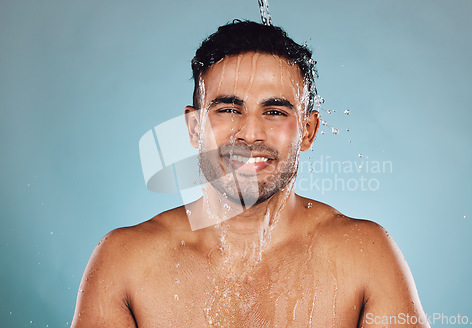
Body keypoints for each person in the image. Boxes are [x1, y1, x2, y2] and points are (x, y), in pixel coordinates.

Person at [71, 20, 429, 327]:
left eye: (274, 112)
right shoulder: (126, 260)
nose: (250, 133)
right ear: (194, 129)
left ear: (308, 131)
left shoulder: (364, 255)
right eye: (228, 109)